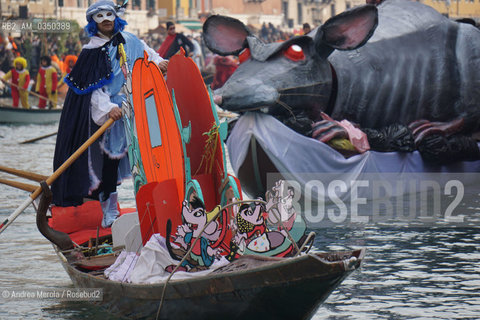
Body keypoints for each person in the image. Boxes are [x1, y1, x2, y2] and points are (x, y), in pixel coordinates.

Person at [51, 0, 168, 228]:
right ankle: (109, 212)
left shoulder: (131, 40)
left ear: (116, 17)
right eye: (99, 16)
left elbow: (150, 56)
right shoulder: (92, 51)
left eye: (108, 15)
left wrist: (161, 63)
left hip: (138, 109)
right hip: (112, 113)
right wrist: (108, 109)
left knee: (145, 159)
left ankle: (151, 205)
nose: (105, 19)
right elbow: (92, 89)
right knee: (109, 164)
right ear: (93, 22)